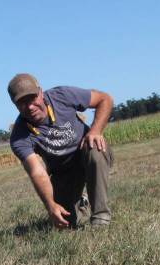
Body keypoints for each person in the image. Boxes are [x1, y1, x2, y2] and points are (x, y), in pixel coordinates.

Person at [7, 73, 114, 229]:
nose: (29, 106)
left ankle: (100, 218)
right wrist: (50, 205)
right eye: (22, 102)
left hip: (87, 154)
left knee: (94, 150)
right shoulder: (19, 137)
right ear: (14, 104)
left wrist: (95, 130)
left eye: (32, 98)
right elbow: (37, 172)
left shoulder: (62, 96)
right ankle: (80, 203)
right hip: (63, 172)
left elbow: (105, 99)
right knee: (65, 225)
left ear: (40, 92)